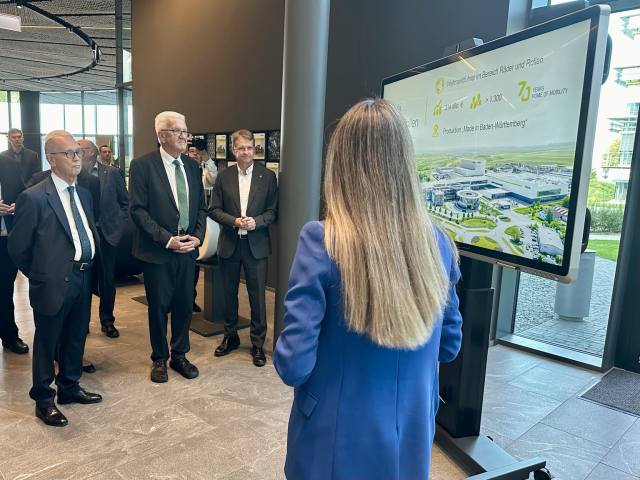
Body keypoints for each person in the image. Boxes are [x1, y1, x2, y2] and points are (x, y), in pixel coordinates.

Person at [272, 99, 463, 479]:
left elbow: (294, 365)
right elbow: (449, 344)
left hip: (332, 445)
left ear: (339, 164)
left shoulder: (321, 241)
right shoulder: (438, 243)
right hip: (410, 441)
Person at [8, 130, 103, 427]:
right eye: (70, 154)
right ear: (51, 159)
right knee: (47, 342)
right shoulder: (33, 197)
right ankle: (43, 399)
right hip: (52, 281)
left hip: (83, 276)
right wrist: (40, 276)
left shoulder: (84, 193)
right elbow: (18, 247)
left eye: (79, 152)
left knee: (76, 336)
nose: (78, 159)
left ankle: (70, 387)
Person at [129, 111, 207, 383]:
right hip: (158, 251)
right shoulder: (142, 165)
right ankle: (159, 359)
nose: (184, 136)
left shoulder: (192, 166)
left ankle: (180, 355)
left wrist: (197, 236)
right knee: (159, 307)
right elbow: (137, 211)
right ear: (161, 135)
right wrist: (166, 239)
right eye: (177, 131)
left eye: (185, 131)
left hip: (187, 249)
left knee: (185, 304)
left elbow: (201, 208)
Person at [209, 129, 278, 367]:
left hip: (256, 246)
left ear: (254, 149)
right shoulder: (223, 176)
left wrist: (256, 221)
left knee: (257, 298)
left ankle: (257, 343)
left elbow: (273, 212)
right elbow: (214, 209)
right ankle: (231, 337)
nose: (246, 152)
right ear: (233, 150)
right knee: (229, 295)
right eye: (241, 148)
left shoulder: (267, 177)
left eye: (250, 147)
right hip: (229, 244)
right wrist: (234, 221)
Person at [78, 139, 130, 338]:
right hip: (84, 235)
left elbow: (124, 202)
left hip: (107, 233)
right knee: (84, 279)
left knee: (107, 280)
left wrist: (119, 224)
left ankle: (107, 320)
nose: (77, 155)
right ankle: (82, 322)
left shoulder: (113, 172)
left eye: (80, 151)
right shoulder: (74, 174)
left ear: (91, 152)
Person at [0, 153, 28, 355]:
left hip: (5, 241)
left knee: (4, 291)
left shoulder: (11, 164)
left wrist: (20, 205)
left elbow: (22, 192)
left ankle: (10, 337)